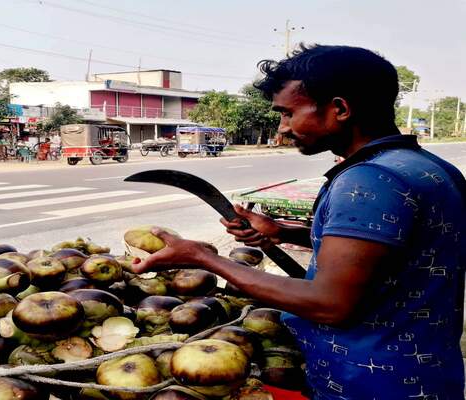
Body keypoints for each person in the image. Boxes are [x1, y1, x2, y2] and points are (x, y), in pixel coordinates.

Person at [133, 45, 466, 399]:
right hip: (429, 370)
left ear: (339, 109)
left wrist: (203, 258)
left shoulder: (367, 179)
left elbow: (329, 303)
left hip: (368, 381)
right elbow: (391, 253)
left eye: (288, 113)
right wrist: (283, 232)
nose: (283, 128)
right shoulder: (432, 168)